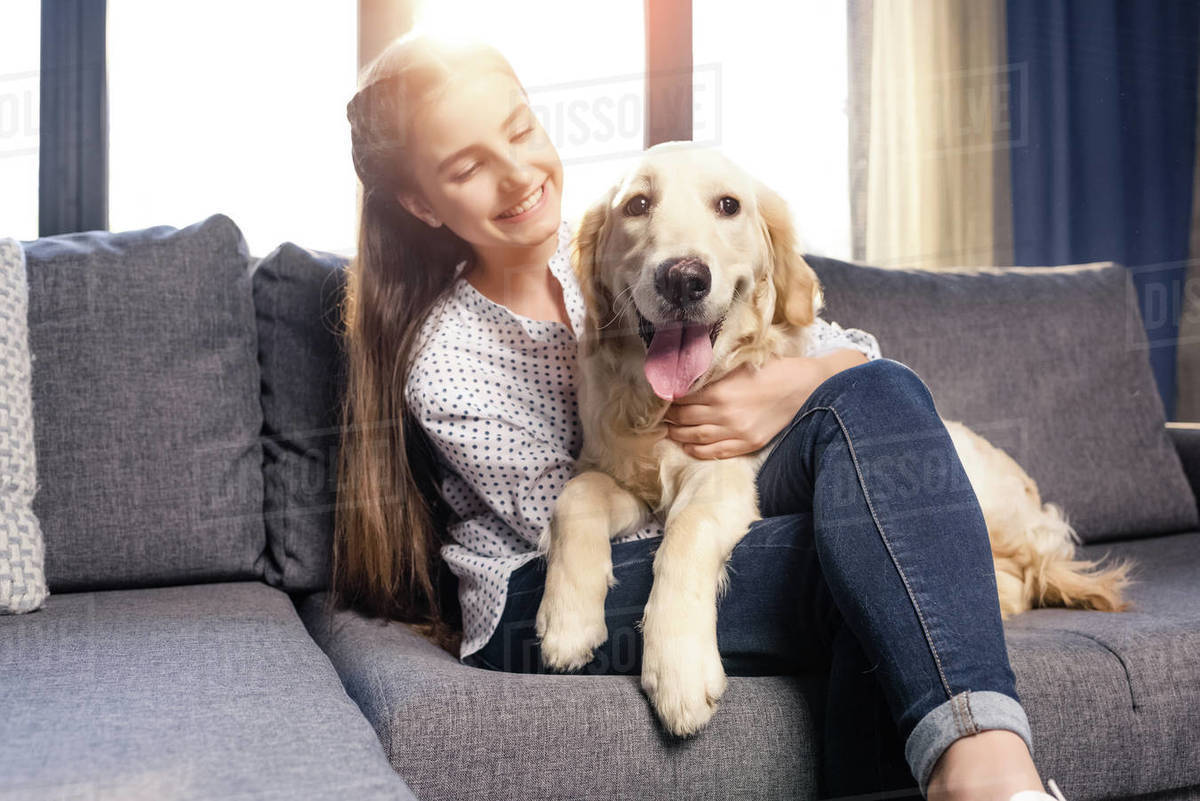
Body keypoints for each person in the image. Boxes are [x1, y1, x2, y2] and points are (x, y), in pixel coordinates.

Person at [333, 29, 1067, 801]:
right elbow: (574, 515)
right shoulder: (449, 352)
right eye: (469, 166)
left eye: (519, 130)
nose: (517, 174)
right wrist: (722, 496)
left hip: (718, 506)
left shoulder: (620, 242)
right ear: (421, 201)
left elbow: (862, 363)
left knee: (882, 391)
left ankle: (992, 779)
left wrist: (785, 387)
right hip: (544, 585)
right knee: (868, 551)